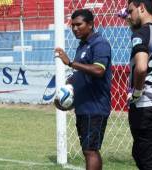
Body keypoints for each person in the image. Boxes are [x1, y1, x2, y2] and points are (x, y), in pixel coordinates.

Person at [54, 9, 112, 170]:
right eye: (72, 25)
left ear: (91, 24)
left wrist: (70, 63)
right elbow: (81, 76)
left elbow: (99, 70)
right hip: (84, 106)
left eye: (79, 24)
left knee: (91, 150)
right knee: (88, 150)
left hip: (95, 106)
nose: (75, 28)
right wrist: (65, 98)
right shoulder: (82, 45)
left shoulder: (100, 44)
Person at [125, 0, 152, 169]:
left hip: (145, 103)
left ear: (141, 8)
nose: (129, 16)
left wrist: (137, 91)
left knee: (147, 159)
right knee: (140, 152)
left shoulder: (141, 34)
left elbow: (142, 67)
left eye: (131, 11)